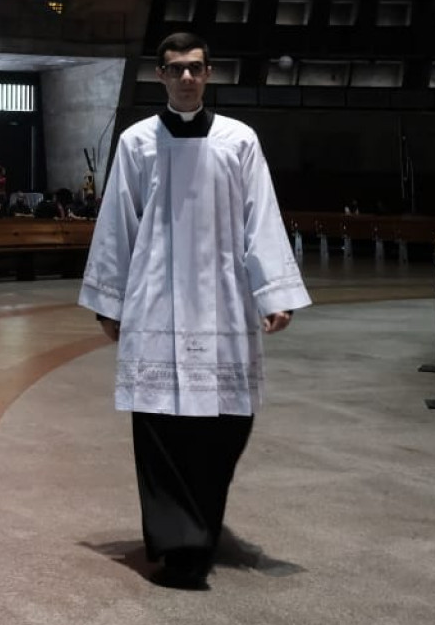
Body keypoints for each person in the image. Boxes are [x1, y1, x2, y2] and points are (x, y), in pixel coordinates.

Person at [79, 31, 310, 592]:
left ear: (209, 75)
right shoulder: (137, 142)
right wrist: (109, 302)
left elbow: (263, 216)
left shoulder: (239, 141)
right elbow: (117, 223)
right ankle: (180, 545)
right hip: (156, 299)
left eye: (197, 68)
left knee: (225, 427)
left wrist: (273, 291)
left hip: (224, 302)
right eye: (176, 68)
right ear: (159, 75)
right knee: (160, 426)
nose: (186, 77)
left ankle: (200, 523)